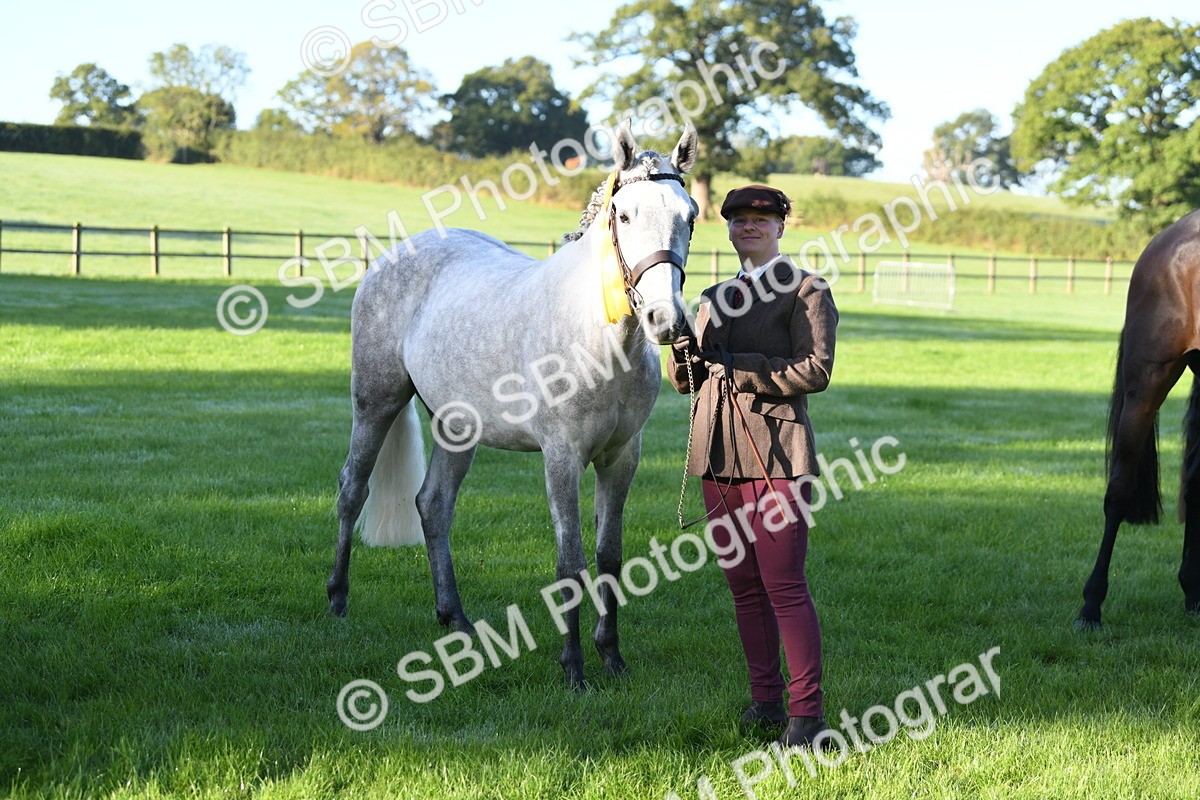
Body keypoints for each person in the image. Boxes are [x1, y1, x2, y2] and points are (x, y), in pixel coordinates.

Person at [669, 184, 838, 748]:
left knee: (784, 585)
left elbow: (814, 370)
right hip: (717, 455)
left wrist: (737, 366)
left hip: (777, 458)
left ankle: (806, 715)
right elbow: (686, 382)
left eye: (761, 220)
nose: (750, 228)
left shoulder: (807, 291)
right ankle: (764, 702)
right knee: (743, 587)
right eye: (739, 220)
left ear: (781, 228)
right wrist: (684, 358)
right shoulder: (713, 297)